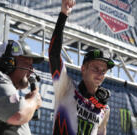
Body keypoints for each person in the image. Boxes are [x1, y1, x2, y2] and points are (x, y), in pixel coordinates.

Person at [49, 0, 115, 135]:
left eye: (103, 71)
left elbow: (101, 132)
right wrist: (63, 14)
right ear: (83, 69)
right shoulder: (66, 88)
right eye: (95, 68)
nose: (100, 73)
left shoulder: (104, 108)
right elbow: (54, 54)